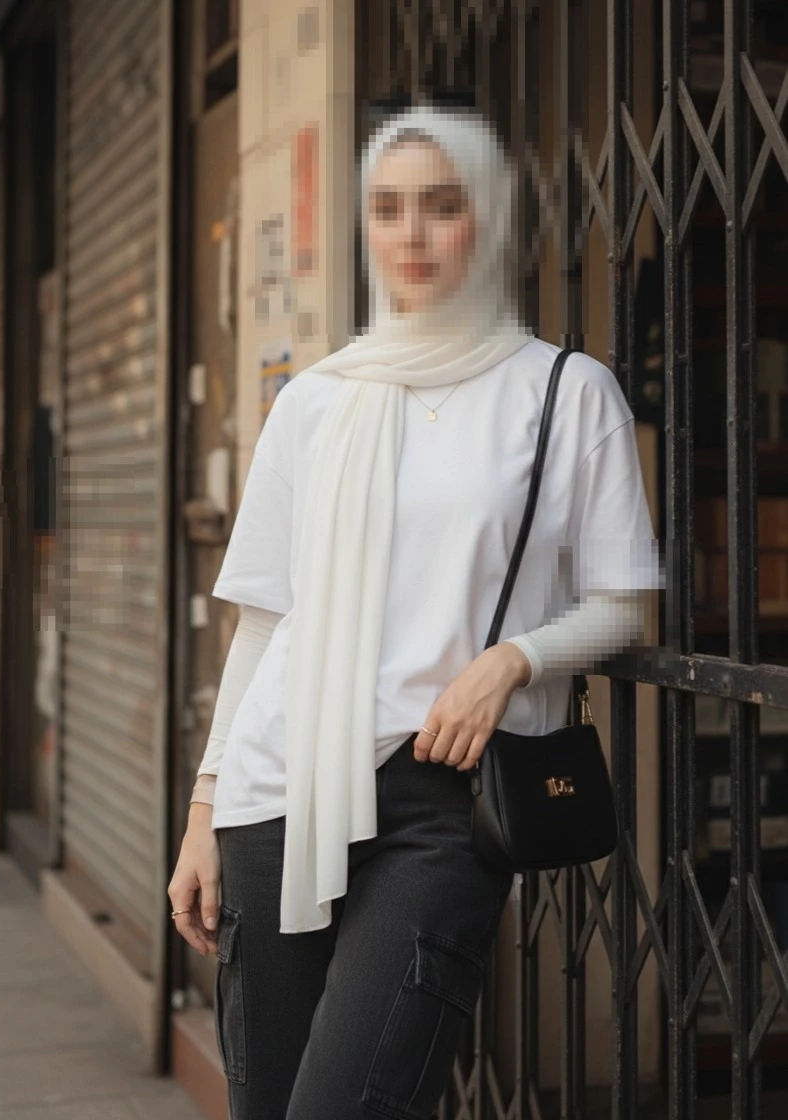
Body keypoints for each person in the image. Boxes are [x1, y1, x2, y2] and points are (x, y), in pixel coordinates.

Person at [168, 104, 661, 1120]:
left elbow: (624, 604)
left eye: (442, 206)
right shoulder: (316, 399)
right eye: (387, 209)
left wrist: (513, 659)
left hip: (442, 803)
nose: (412, 235)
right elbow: (265, 621)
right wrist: (204, 809)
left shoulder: (566, 393)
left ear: (488, 217)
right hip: (275, 795)